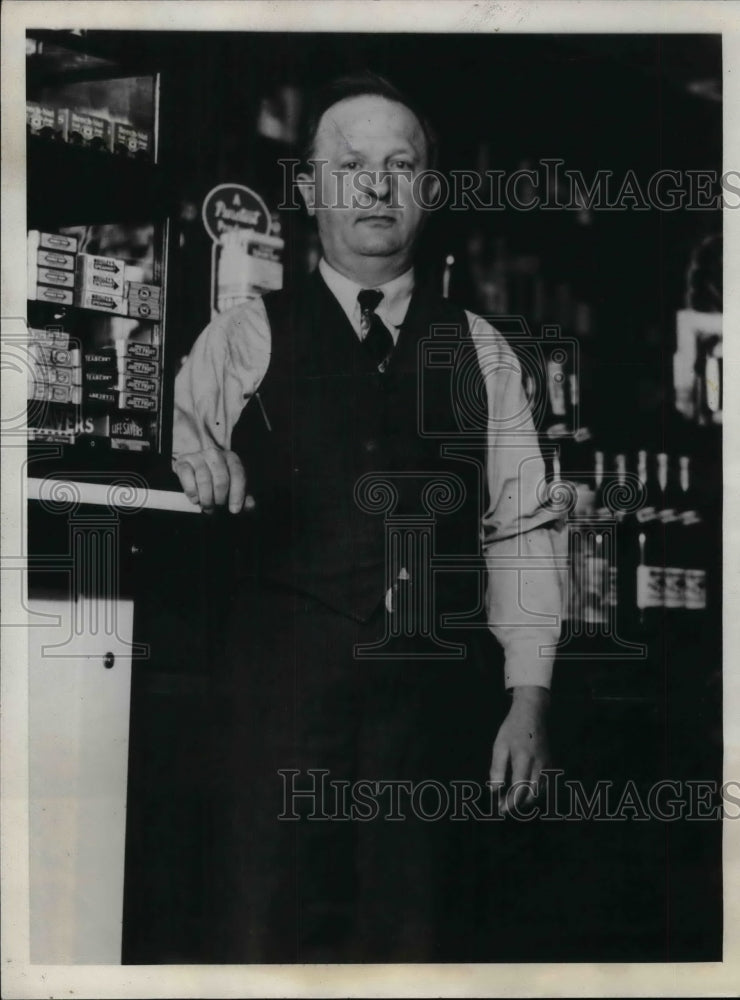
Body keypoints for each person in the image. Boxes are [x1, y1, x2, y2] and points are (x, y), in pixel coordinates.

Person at [172, 72, 566, 963]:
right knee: (259, 950)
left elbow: (523, 531)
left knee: (414, 956)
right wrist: (202, 467)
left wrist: (530, 700)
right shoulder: (236, 340)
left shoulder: (482, 352)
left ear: (429, 189)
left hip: (428, 725)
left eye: (400, 165)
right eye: (351, 166)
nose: (377, 187)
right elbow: (170, 472)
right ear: (310, 188)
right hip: (269, 725)